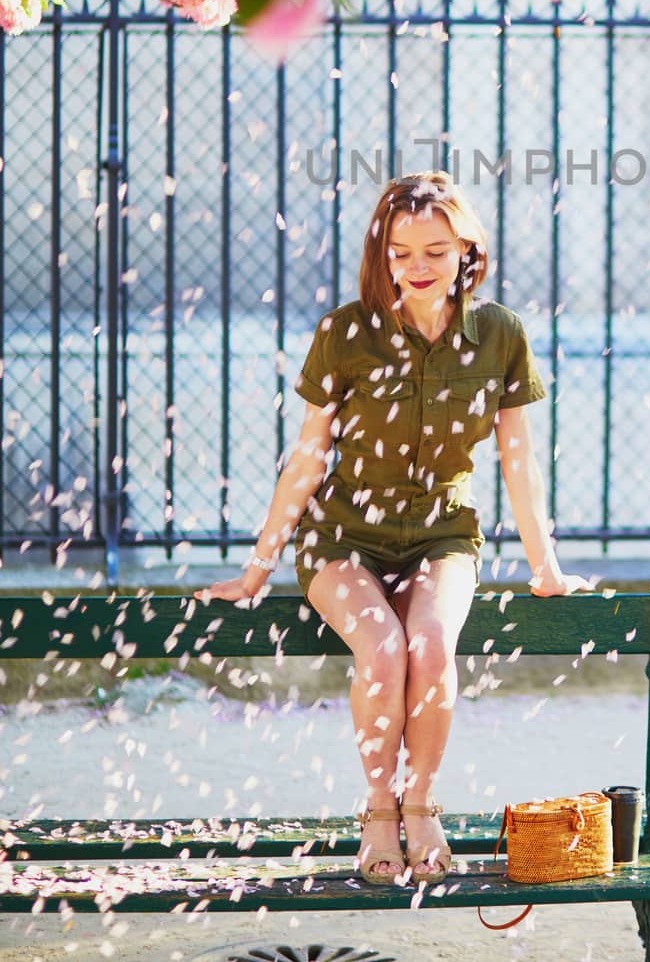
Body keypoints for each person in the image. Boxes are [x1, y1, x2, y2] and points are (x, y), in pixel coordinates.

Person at [195, 170, 590, 887]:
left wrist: (546, 566)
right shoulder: (345, 334)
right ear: (381, 254)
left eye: (435, 251)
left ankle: (421, 805)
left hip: (443, 533)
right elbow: (307, 459)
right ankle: (379, 812)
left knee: (432, 646)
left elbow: (519, 462)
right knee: (381, 649)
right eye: (400, 252)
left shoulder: (500, 334)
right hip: (343, 537)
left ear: (466, 247)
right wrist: (258, 566)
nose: (416, 267)